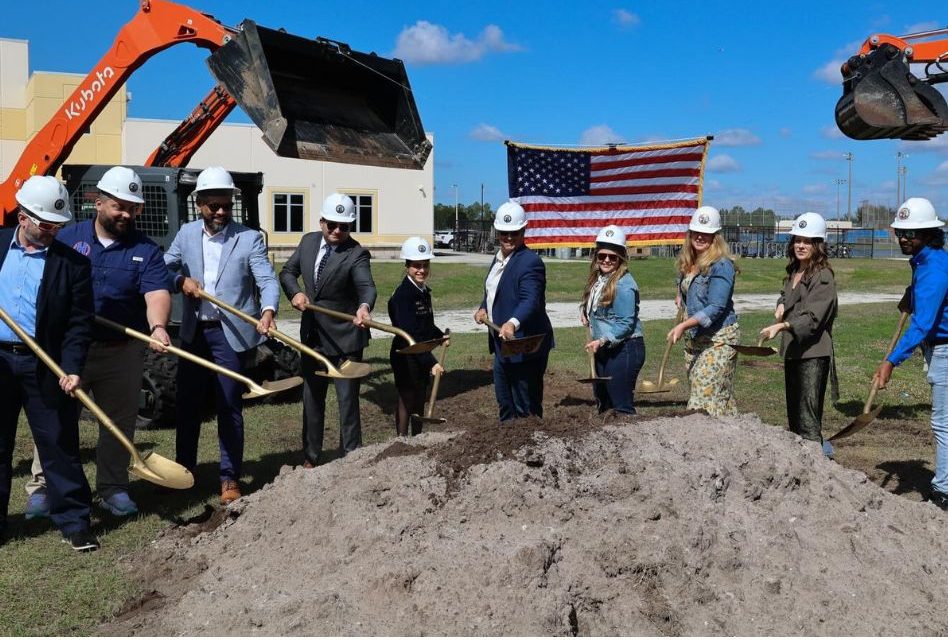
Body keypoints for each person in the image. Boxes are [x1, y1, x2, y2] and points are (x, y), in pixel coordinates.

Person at [25, 166, 172, 519]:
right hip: (68, 351)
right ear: (98, 202)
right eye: (118, 205)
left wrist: (158, 327)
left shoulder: (146, 250)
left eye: (132, 208)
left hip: (121, 352)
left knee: (118, 423)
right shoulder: (66, 237)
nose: (125, 214)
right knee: (55, 420)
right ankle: (44, 487)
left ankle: (113, 489)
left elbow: (156, 292)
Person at [164, 167, 279, 505]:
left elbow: (267, 280)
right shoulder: (186, 235)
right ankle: (183, 472)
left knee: (229, 405)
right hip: (195, 333)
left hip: (231, 335)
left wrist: (268, 310)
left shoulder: (248, 238)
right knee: (187, 406)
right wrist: (180, 282)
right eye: (213, 205)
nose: (220, 212)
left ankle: (229, 478)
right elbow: (164, 266)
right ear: (199, 203)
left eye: (226, 205)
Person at [0, 176, 99, 551]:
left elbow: (78, 323)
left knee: (58, 441)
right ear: (22, 216)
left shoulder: (72, 264)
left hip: (44, 363)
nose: (51, 232)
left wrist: (72, 367)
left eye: (57, 226)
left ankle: (74, 521)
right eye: (45, 224)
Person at [280, 193, 377, 466]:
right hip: (313, 338)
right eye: (332, 224)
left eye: (344, 227)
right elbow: (287, 272)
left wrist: (364, 307)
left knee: (347, 403)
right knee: (312, 400)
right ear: (321, 221)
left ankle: (352, 459)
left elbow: (366, 286)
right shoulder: (308, 242)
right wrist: (295, 293)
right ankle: (310, 457)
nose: (337, 231)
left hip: (345, 341)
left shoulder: (356, 253)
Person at [873, 197, 947, 509]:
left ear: (929, 234)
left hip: (945, 350)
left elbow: (921, 326)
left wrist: (891, 360)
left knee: (943, 423)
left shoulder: (933, 270)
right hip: (940, 348)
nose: (904, 239)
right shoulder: (927, 261)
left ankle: (943, 490)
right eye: (900, 233)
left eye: (910, 234)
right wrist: (910, 293)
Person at [758, 212, 838, 452]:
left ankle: (817, 469)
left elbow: (813, 318)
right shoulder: (795, 271)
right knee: (794, 416)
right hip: (794, 351)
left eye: (807, 241)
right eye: (797, 240)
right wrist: (781, 304)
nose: (800, 246)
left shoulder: (823, 276)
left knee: (808, 421)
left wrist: (782, 326)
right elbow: (787, 296)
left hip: (812, 355)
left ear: (818, 245)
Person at [474, 201, 554, 421]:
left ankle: (534, 450)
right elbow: (494, 290)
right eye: (504, 233)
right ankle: (508, 450)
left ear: (523, 231)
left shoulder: (530, 262)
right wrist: (483, 308)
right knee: (505, 403)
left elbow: (531, 300)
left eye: (514, 233)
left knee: (526, 407)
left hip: (526, 345)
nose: (508, 238)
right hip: (504, 345)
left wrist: (512, 322)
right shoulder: (499, 259)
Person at [668, 205, 741, 417]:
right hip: (695, 340)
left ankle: (704, 444)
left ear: (715, 237)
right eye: (696, 232)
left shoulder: (721, 265)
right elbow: (687, 284)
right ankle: (734, 438)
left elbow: (716, 307)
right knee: (717, 394)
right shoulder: (690, 261)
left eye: (706, 233)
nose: (700, 237)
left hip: (719, 339)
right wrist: (681, 295)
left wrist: (684, 324)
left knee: (703, 397)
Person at [580, 225, 645, 415]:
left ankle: (631, 441)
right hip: (605, 348)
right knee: (603, 403)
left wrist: (602, 340)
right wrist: (585, 312)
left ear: (621, 258)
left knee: (620, 406)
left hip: (625, 349)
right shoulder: (599, 279)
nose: (606, 260)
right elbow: (595, 305)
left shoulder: (624, 285)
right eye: (602, 256)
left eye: (612, 256)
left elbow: (625, 324)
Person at [386, 237, 446, 435]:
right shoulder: (404, 295)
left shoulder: (422, 291)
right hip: (406, 354)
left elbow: (424, 325)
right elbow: (410, 333)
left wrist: (439, 337)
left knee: (420, 397)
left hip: (420, 351)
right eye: (416, 266)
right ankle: (401, 441)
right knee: (407, 398)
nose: (421, 270)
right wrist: (431, 362)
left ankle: (417, 439)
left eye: (425, 265)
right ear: (407, 266)